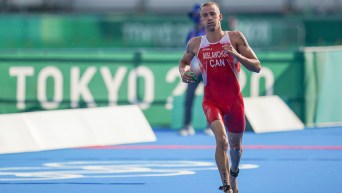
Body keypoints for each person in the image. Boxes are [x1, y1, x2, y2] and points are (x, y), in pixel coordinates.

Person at [178, 2, 261, 193]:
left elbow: (257, 66)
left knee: (236, 148)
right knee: (221, 141)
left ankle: (233, 174)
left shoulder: (235, 37)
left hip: (234, 102)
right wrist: (183, 72)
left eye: (212, 14)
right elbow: (183, 62)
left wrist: (236, 55)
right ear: (201, 19)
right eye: (205, 15)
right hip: (211, 101)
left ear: (220, 17)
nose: (208, 18)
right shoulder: (196, 43)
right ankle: (225, 187)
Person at [179, 3, 214, 136]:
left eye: (198, 16)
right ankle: (187, 125)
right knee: (188, 98)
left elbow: (211, 52)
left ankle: (210, 126)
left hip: (208, 72)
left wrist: (202, 66)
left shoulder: (210, 33)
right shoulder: (191, 33)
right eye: (194, 16)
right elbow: (187, 53)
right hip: (193, 71)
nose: (196, 18)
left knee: (210, 99)